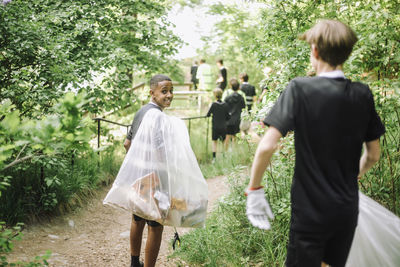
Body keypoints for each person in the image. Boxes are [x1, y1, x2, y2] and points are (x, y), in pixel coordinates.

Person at [245, 19, 385, 267]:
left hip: (311, 211)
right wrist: (353, 175)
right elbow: (373, 154)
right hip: (346, 208)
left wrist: (254, 190)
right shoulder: (362, 93)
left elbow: (267, 145)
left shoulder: (300, 89)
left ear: (315, 51)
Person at [123, 74, 173, 267]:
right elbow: (160, 153)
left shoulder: (140, 112)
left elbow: (128, 143)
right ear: (152, 93)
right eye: (164, 91)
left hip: (139, 177)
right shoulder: (159, 117)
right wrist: (163, 178)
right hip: (155, 178)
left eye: (171, 91)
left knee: (137, 219)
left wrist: (137, 168)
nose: (169, 95)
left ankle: (134, 263)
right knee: (156, 225)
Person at [206, 88, 230, 161]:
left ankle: (214, 158)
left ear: (215, 95)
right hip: (223, 126)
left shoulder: (214, 104)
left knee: (214, 142)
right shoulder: (225, 105)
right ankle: (223, 156)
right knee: (223, 142)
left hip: (215, 126)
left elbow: (208, 114)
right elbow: (228, 116)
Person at [224, 78, 246, 148]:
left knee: (227, 136)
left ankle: (225, 152)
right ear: (239, 87)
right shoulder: (241, 98)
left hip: (228, 119)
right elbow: (244, 108)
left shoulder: (227, 98)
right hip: (237, 119)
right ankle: (234, 151)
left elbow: (224, 107)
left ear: (231, 87)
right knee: (235, 136)